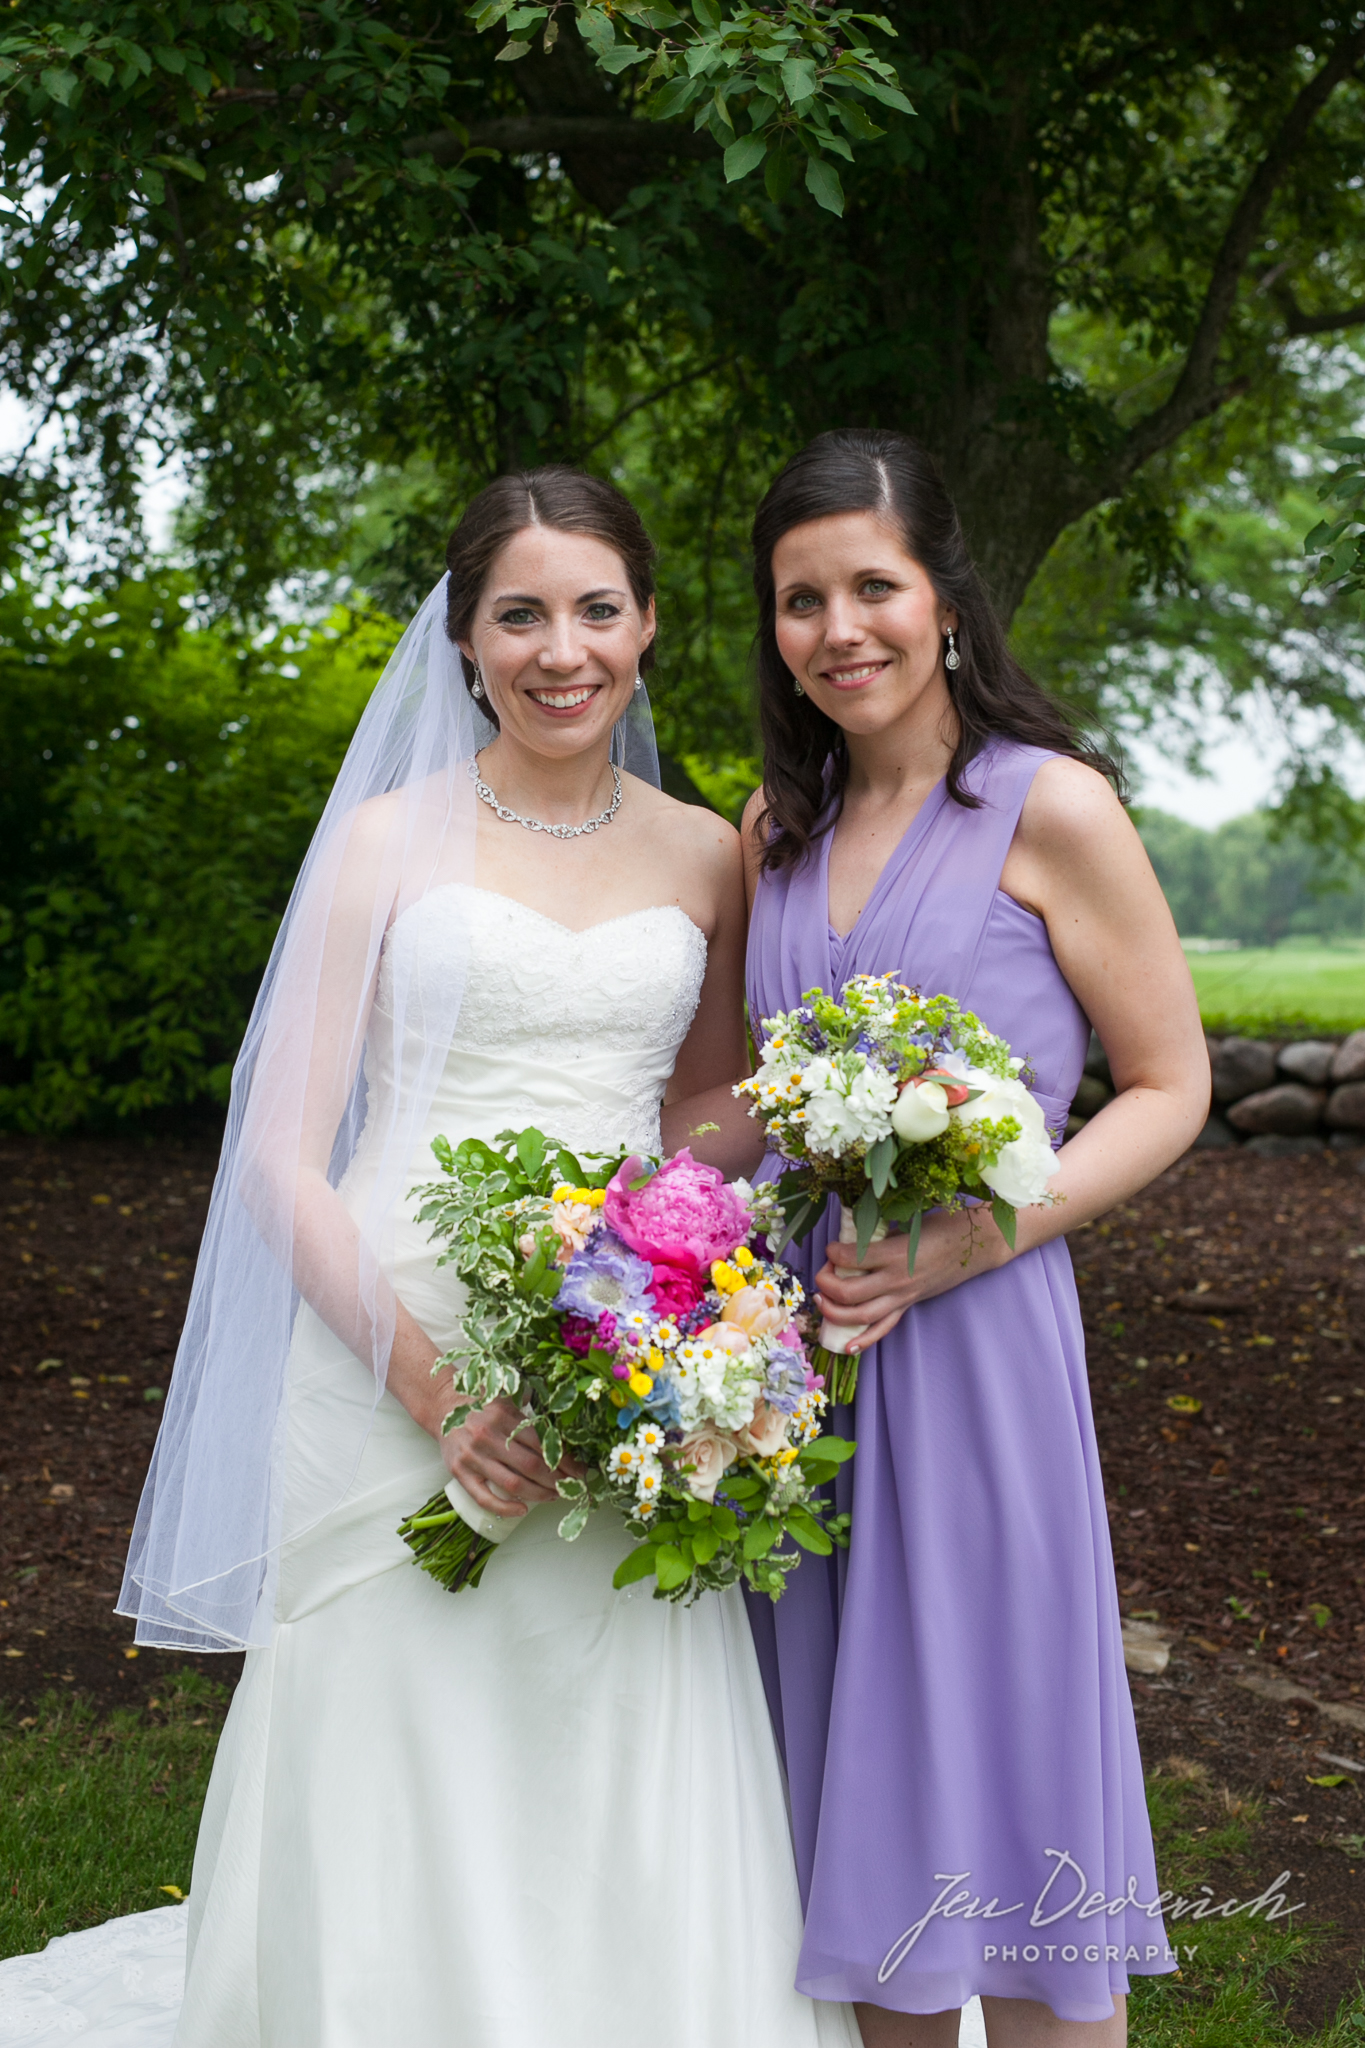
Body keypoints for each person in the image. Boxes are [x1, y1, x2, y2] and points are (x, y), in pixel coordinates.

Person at [106, 468, 859, 2048]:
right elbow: (274, 1153)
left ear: (647, 626)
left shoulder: (704, 854)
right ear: (462, 641)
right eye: (518, 614)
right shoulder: (386, 841)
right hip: (393, 1331)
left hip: (627, 1337)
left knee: (605, 1703)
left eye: (595, 609)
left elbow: (692, 1115)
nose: (559, 649)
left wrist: (821, 1104)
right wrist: (437, 1387)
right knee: (399, 1711)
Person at [717, 429, 1209, 2045]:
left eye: (872, 584)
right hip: (799, 1372)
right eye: (801, 599)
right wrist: (603, 1231)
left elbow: (1168, 1085)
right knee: (859, 1830)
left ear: (943, 603)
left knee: (1005, 1792)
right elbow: (737, 1108)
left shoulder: (1048, 808)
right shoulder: (767, 831)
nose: (837, 627)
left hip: (978, 1345)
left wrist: (980, 1239)